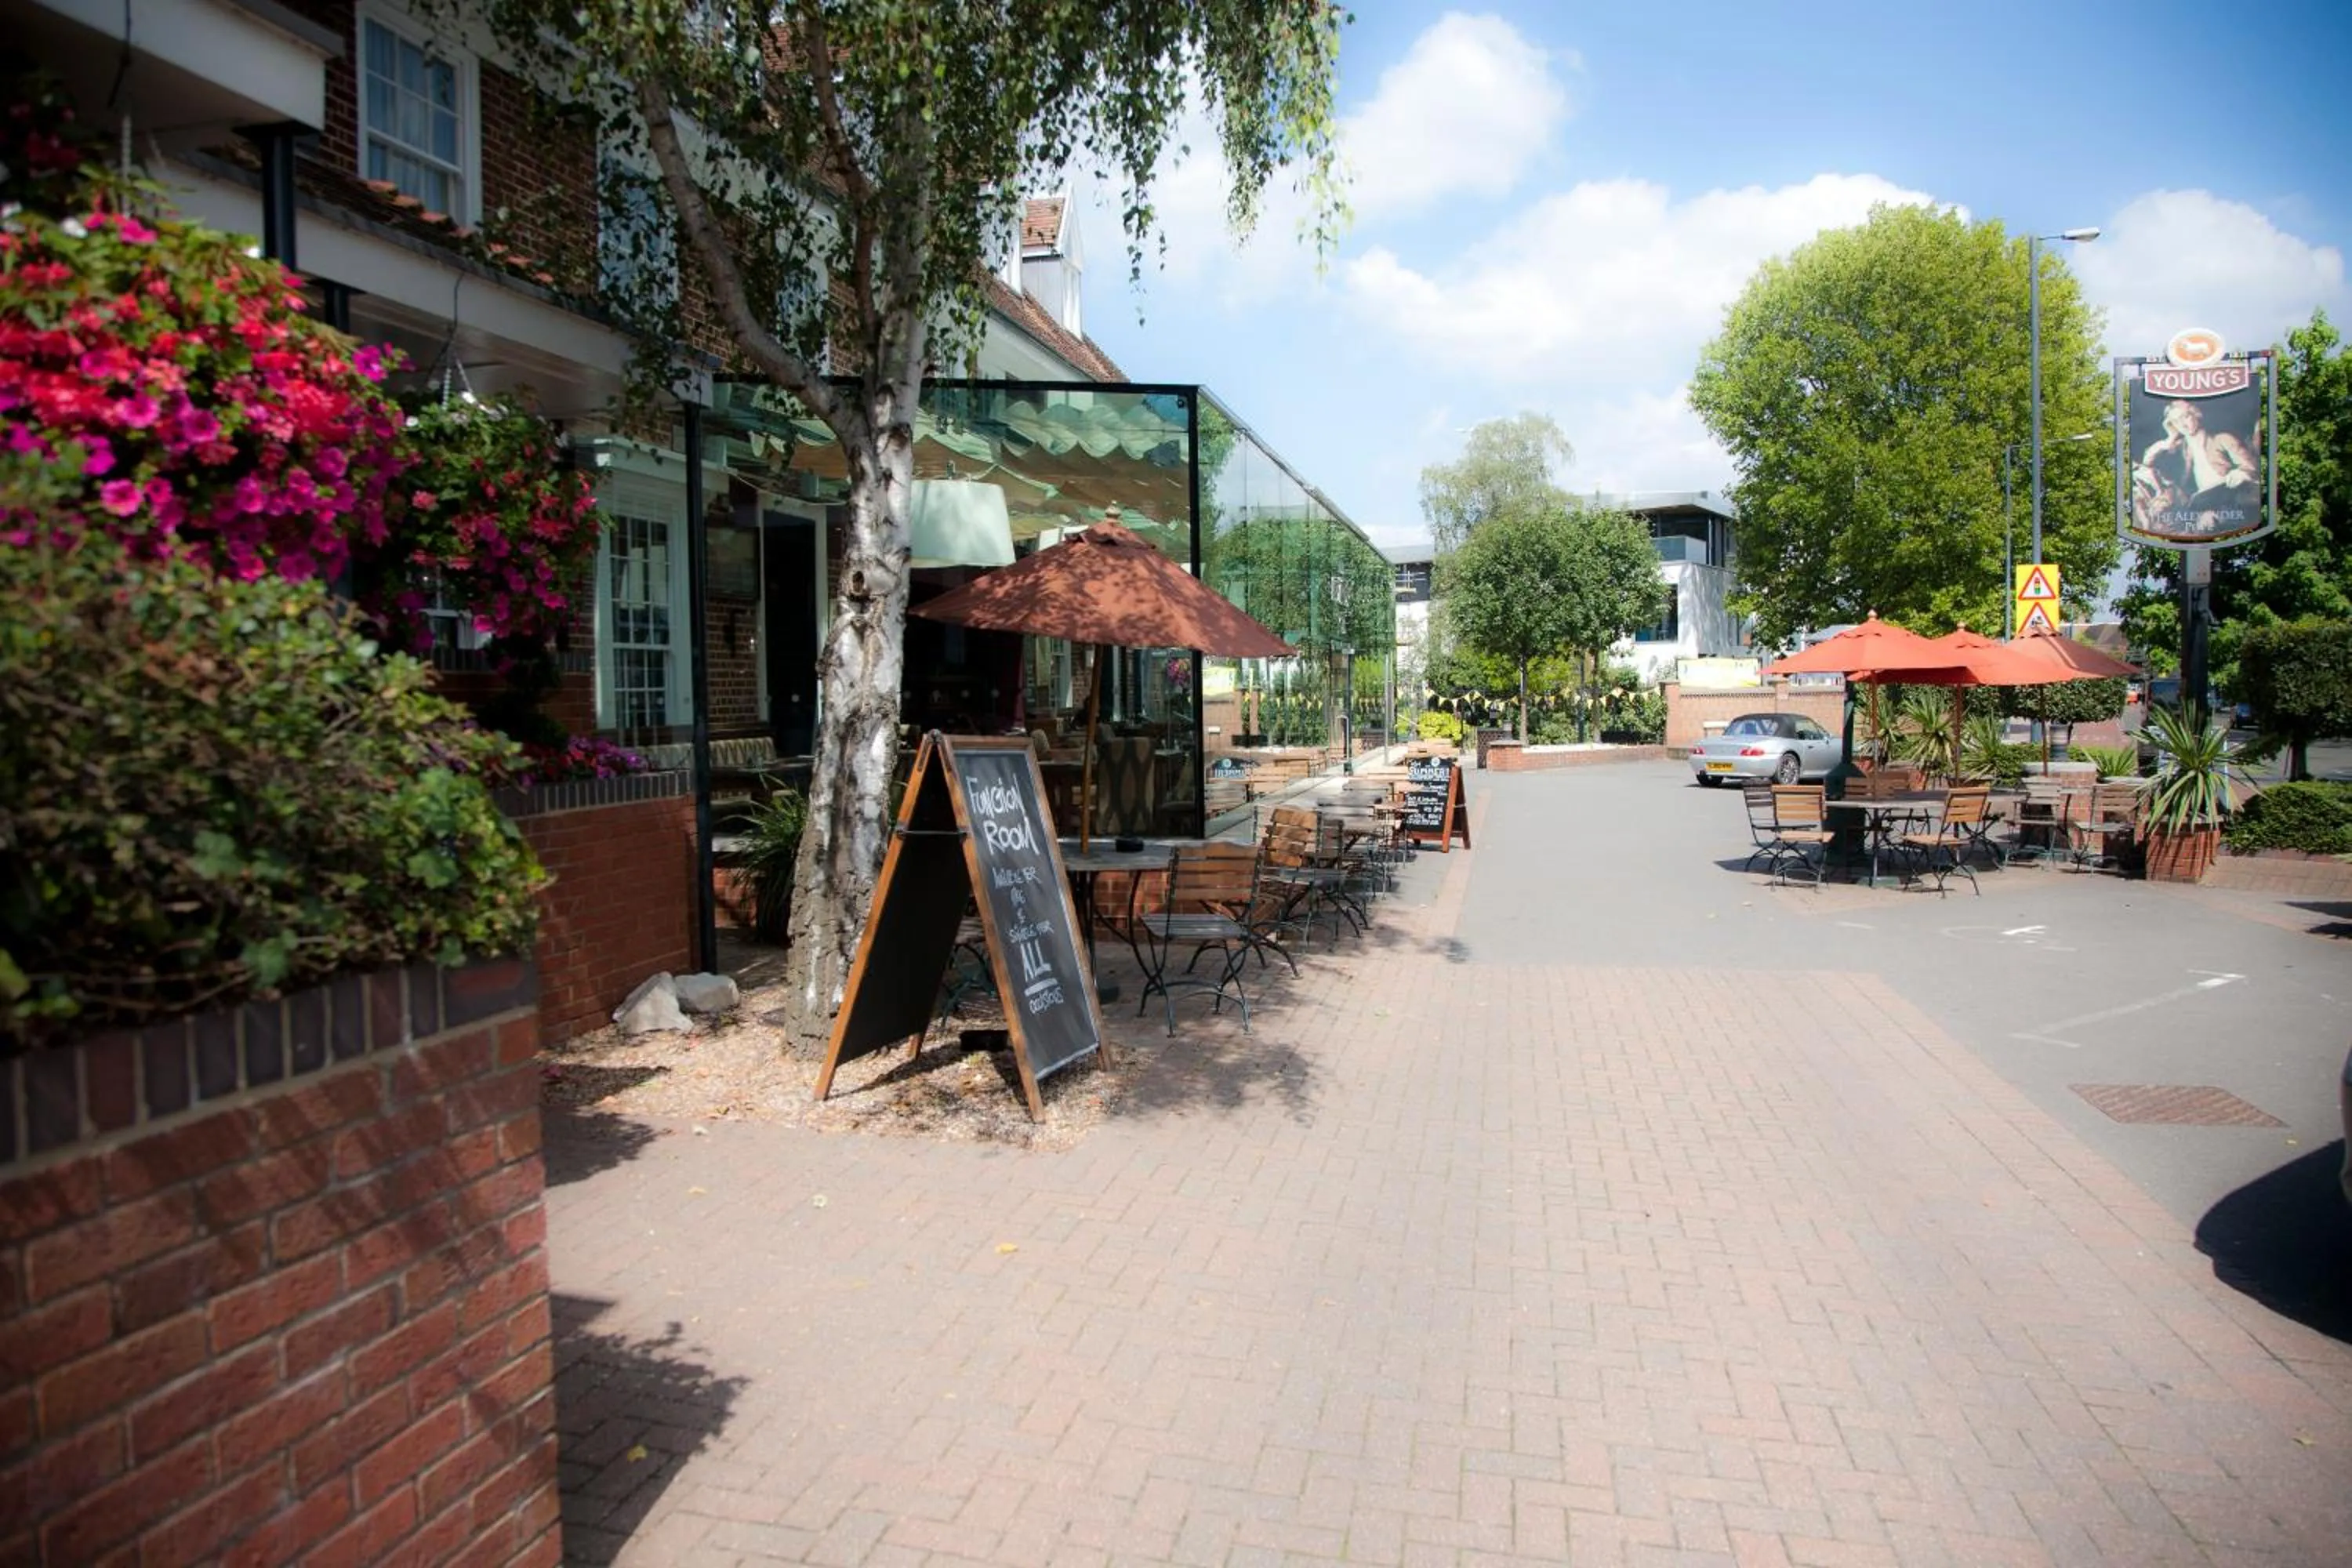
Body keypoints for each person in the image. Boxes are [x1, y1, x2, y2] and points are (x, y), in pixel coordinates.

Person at [2132, 397, 2258, 535]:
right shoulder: (2181, 450)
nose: (2182, 424)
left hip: (2232, 502)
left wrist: (2241, 473)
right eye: (2176, 421)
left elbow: (2251, 467)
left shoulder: (2222, 439)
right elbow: (2147, 463)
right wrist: (2167, 442)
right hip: (2199, 508)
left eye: (2185, 417)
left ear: (2196, 415)